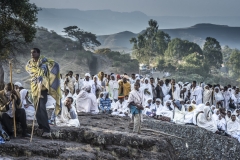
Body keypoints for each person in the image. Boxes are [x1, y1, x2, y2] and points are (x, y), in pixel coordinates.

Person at [26, 48, 61, 137]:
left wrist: (42, 78)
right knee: (36, 109)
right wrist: (37, 76)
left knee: (42, 108)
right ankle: (40, 126)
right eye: (31, 52)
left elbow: (51, 69)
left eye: (34, 52)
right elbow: (30, 71)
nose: (32, 54)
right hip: (34, 88)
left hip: (42, 89)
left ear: (38, 53)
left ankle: (47, 130)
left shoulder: (44, 63)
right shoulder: (30, 64)